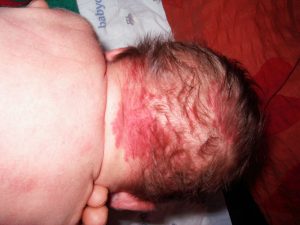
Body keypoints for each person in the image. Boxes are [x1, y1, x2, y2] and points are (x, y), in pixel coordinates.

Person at [0, 1, 263, 225]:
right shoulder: (61, 213)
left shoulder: (74, 29)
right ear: (132, 202)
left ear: (120, 52)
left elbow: (34, 9)